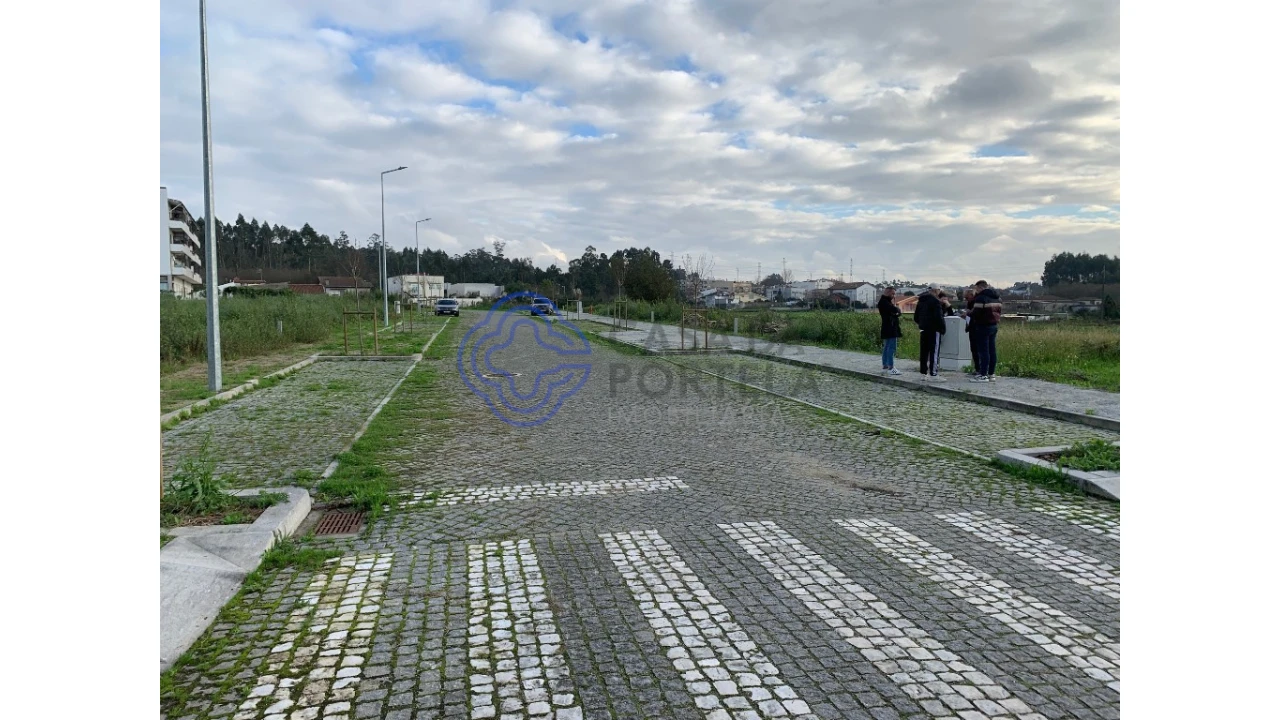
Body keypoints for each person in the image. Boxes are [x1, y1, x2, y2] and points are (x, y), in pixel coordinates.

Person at [969, 280, 1002, 382]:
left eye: (976, 288)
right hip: (994, 325)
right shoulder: (997, 298)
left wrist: (968, 313)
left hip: (982, 326)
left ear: (980, 287)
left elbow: (976, 313)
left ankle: (983, 374)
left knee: (983, 351)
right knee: (992, 350)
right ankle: (991, 374)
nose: (976, 290)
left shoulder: (980, 298)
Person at [913, 286, 946, 380]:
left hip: (923, 329)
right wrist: (942, 329)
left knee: (924, 351)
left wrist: (922, 324)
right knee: (934, 352)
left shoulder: (921, 301)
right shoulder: (935, 301)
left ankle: (923, 373)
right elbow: (939, 317)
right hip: (934, 329)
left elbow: (916, 317)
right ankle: (933, 373)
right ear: (936, 290)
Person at [877, 286, 902, 375]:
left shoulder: (885, 302)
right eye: (893, 293)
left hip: (887, 327)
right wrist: (897, 310)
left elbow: (895, 312)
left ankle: (885, 366)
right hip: (890, 327)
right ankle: (891, 367)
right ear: (888, 293)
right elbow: (896, 310)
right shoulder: (885, 303)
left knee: (886, 347)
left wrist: (896, 312)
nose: (894, 296)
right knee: (891, 347)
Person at [961, 288, 978, 375]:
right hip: (971, 327)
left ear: (971, 295)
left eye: (967, 298)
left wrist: (967, 313)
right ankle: (976, 368)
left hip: (975, 327)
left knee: (976, 349)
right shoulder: (970, 303)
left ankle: (978, 369)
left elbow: (974, 314)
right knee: (974, 349)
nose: (966, 300)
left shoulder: (975, 302)